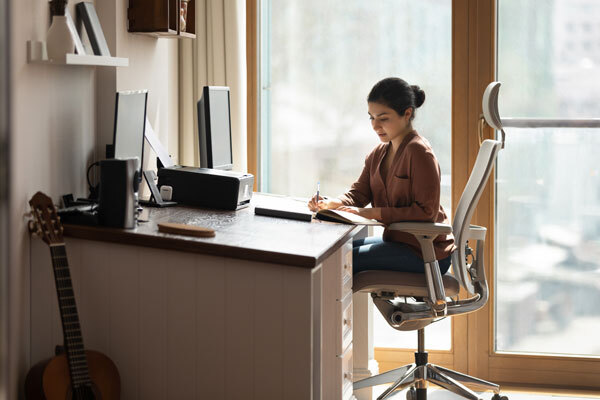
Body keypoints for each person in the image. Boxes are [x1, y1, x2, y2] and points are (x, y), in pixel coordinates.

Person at [308, 77, 455, 275]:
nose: (375, 126)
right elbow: (358, 194)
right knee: (335, 255)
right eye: (371, 117)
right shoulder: (378, 153)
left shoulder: (419, 153)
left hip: (426, 253)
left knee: (340, 263)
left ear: (407, 114)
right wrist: (332, 203)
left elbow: (426, 212)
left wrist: (373, 213)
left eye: (383, 118)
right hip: (399, 242)